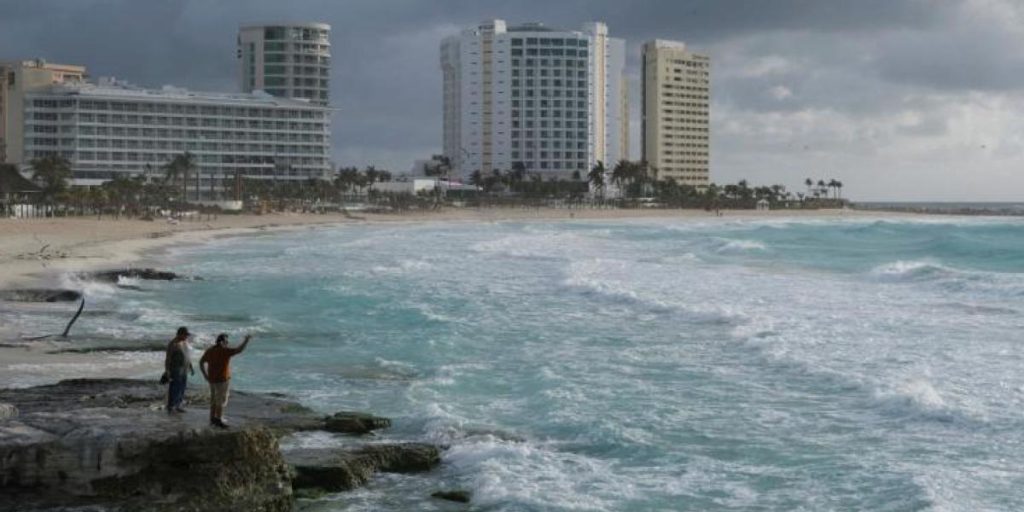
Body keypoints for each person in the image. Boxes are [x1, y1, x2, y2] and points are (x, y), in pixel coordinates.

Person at [199, 333, 252, 428]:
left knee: (214, 400)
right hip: (222, 380)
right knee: (221, 401)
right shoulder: (224, 351)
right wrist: (246, 340)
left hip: (212, 380)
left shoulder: (210, 351)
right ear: (222, 342)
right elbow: (239, 350)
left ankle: (212, 419)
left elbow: (201, 362)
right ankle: (218, 420)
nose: (227, 343)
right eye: (227, 341)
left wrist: (205, 375)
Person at [163, 326, 194, 413]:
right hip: (176, 368)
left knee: (182, 387)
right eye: (185, 335)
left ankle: (178, 405)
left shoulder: (185, 342)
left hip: (184, 368)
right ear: (180, 334)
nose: (187, 336)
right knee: (175, 387)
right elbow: (168, 358)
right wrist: (167, 371)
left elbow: (187, 356)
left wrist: (191, 367)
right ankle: (171, 406)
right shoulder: (173, 344)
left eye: (187, 335)